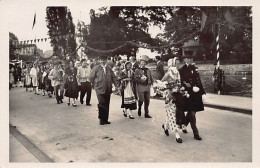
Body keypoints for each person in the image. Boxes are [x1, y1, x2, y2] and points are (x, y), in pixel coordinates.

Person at [160, 57, 187, 143]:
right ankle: (177, 135)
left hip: (178, 95)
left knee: (176, 113)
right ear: (172, 64)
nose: (178, 65)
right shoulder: (169, 73)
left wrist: (182, 89)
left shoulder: (178, 73)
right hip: (170, 97)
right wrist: (168, 88)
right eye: (176, 63)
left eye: (179, 63)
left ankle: (165, 125)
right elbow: (161, 84)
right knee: (172, 114)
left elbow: (179, 84)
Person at [179, 55, 206, 140]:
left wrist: (202, 92)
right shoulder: (182, 70)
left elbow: (199, 81)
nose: (190, 60)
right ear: (185, 60)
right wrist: (188, 86)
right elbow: (181, 82)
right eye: (188, 58)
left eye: (191, 58)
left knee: (191, 112)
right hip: (188, 94)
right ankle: (196, 133)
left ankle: (184, 125)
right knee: (192, 113)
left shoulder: (195, 68)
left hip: (196, 93)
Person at [89, 56, 119, 125]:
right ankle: (101, 118)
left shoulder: (109, 68)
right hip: (99, 89)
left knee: (106, 104)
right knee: (101, 103)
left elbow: (114, 77)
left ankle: (105, 119)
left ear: (106, 60)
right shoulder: (96, 68)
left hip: (108, 89)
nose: (103, 61)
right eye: (101, 60)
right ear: (99, 60)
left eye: (104, 60)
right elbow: (91, 78)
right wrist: (95, 84)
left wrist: (116, 86)